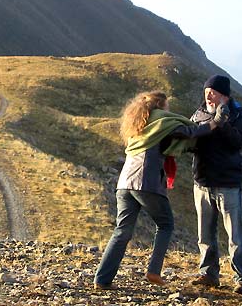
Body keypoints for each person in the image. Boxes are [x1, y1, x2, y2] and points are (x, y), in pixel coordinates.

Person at [94, 90, 224, 290]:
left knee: (122, 231)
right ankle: (154, 270)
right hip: (146, 181)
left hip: (125, 183)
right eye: (167, 107)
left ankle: (102, 280)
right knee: (165, 225)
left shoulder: (139, 124)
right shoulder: (162, 121)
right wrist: (215, 121)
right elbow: (190, 132)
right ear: (161, 106)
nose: (169, 110)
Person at [190, 75, 242, 294]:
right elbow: (191, 141)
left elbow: (239, 142)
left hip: (228, 184)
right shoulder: (199, 113)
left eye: (213, 91)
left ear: (224, 96)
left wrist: (223, 122)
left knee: (235, 236)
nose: (208, 95)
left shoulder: (237, 113)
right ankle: (208, 274)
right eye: (207, 90)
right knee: (205, 235)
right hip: (202, 182)